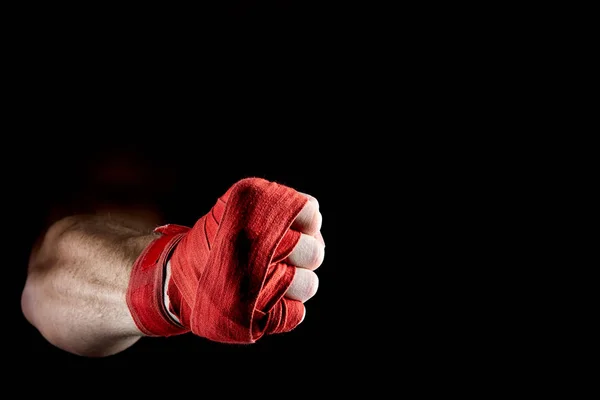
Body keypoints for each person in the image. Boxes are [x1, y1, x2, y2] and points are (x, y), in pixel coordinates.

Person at [19, 145, 326, 358]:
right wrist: (174, 280)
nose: (118, 210)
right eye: (111, 194)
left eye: (129, 195)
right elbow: (44, 283)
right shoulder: (63, 242)